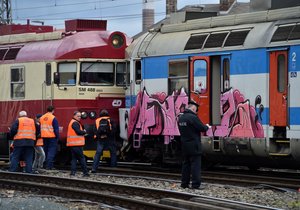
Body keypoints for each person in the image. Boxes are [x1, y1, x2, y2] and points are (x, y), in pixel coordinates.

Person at [178, 100, 209, 189]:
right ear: (193, 108)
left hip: (184, 145)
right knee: (195, 166)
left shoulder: (181, 118)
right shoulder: (193, 117)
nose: (196, 112)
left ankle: (184, 184)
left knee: (186, 165)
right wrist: (207, 126)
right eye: (196, 110)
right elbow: (202, 128)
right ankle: (195, 185)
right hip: (194, 145)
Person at [66, 111, 89, 177]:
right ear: (74, 116)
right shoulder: (75, 123)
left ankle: (73, 173)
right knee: (82, 158)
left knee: (74, 159)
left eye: (80, 116)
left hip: (73, 144)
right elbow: (78, 132)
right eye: (78, 116)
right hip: (77, 144)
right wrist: (84, 132)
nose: (79, 118)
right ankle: (85, 173)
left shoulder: (72, 122)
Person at [40, 105, 59, 170]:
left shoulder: (42, 117)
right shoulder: (53, 118)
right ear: (53, 110)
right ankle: (49, 166)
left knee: (46, 151)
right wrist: (57, 137)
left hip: (44, 136)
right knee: (51, 151)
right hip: (52, 137)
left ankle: (45, 165)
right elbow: (56, 129)